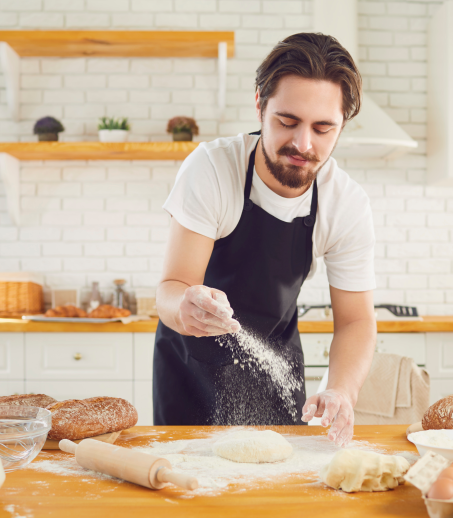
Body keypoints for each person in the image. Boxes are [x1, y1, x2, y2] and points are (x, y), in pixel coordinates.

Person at [153, 32, 377, 447]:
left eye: (323, 128)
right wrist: (184, 306)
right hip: (188, 374)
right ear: (260, 105)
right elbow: (171, 288)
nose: (303, 144)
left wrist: (343, 390)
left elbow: (356, 320)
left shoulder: (345, 203)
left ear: (342, 124)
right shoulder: (213, 169)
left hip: (275, 368)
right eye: (287, 122)